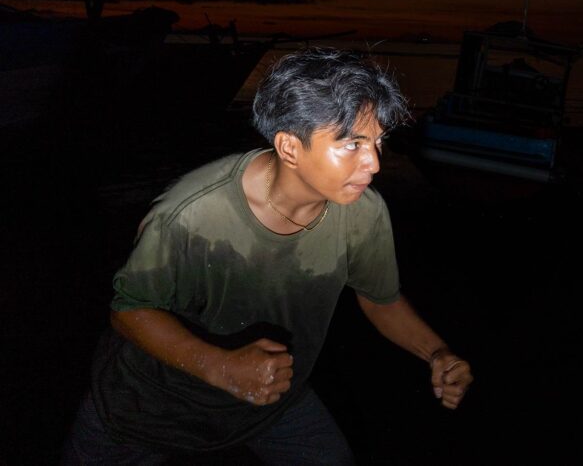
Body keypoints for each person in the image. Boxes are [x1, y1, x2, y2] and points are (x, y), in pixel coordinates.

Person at [62, 47, 473, 464]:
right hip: (147, 410)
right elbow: (130, 310)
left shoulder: (363, 213)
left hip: (275, 397)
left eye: (378, 141)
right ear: (290, 147)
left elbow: (379, 297)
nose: (374, 164)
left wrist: (436, 353)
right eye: (351, 144)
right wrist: (222, 368)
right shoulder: (190, 215)